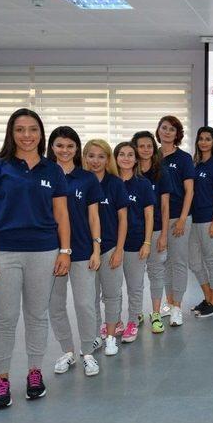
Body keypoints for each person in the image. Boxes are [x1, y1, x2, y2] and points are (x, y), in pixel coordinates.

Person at [0, 108, 70, 409]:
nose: (27, 135)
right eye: (20, 129)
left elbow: (61, 215)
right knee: (4, 319)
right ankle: (1, 380)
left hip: (44, 252)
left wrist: (65, 251)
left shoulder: (52, 170)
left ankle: (34, 373)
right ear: (11, 132)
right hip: (4, 252)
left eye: (32, 129)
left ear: (41, 133)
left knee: (37, 315)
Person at [47, 126, 103, 378]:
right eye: (60, 145)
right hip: (50, 251)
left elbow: (94, 216)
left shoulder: (87, 178)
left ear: (77, 149)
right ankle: (68, 351)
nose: (65, 150)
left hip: (81, 250)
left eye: (70, 146)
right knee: (55, 304)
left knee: (84, 304)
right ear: (51, 147)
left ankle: (87, 352)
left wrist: (96, 247)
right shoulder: (44, 175)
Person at [84, 139, 129, 357]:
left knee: (111, 295)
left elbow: (123, 219)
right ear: (84, 157)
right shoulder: (79, 182)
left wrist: (119, 249)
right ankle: (94, 337)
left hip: (110, 247)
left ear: (108, 159)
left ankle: (111, 337)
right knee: (89, 297)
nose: (96, 160)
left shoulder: (115, 183)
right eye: (91, 155)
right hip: (85, 250)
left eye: (101, 156)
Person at [131, 131, 173, 334]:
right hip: (133, 232)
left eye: (149, 146)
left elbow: (165, 207)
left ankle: (155, 312)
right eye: (141, 146)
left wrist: (164, 234)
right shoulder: (127, 171)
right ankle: (136, 312)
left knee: (156, 272)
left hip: (156, 230)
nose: (146, 150)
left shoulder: (161, 172)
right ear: (135, 148)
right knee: (135, 276)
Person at [156, 115, 195, 326]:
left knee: (178, 262)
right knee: (162, 263)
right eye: (164, 128)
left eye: (172, 129)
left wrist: (181, 219)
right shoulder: (152, 156)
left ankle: (177, 307)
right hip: (156, 219)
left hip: (179, 217)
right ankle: (169, 304)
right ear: (158, 131)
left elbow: (189, 191)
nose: (167, 132)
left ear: (177, 134)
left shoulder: (184, 158)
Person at [115, 142, 155, 343]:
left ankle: (132, 320)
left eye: (130, 154)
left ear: (136, 159)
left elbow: (149, 215)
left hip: (135, 242)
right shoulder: (109, 182)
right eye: (122, 154)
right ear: (115, 157)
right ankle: (115, 322)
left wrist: (147, 242)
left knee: (134, 286)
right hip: (111, 245)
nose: (126, 158)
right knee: (113, 288)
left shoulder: (143, 184)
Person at [189, 126, 213, 318]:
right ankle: (208, 297)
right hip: (192, 221)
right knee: (194, 262)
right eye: (201, 138)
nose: (204, 142)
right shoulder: (195, 164)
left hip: (208, 220)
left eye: (208, 139)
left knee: (212, 262)